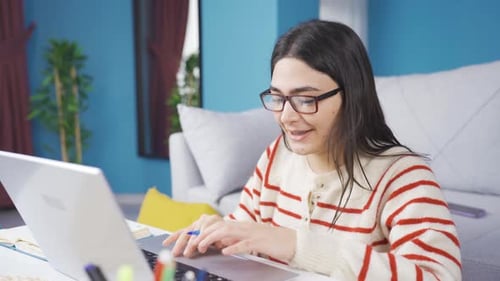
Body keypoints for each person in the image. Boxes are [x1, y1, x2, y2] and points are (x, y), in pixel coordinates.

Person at [163, 20, 462, 280]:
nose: (286, 117)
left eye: (306, 99)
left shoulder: (404, 176)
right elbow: (246, 227)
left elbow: (438, 275)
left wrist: (296, 245)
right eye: (277, 98)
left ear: (352, 95)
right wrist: (219, 234)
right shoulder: (276, 155)